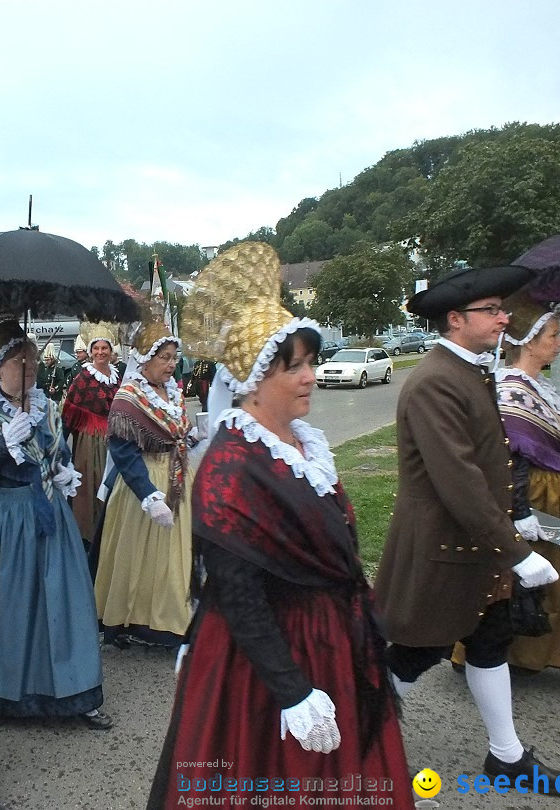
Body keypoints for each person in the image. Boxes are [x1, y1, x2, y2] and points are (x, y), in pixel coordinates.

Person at [148, 242, 412, 808]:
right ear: (254, 376)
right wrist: (291, 690)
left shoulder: (303, 444)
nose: (311, 377)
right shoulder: (229, 465)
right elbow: (238, 594)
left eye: (311, 364)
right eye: (295, 367)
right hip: (268, 657)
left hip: (330, 638)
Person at [376, 265, 560, 794]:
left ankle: (506, 757)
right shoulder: (434, 379)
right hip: (445, 545)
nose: (502, 318)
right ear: (455, 319)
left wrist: (514, 520)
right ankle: (358, 735)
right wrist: (516, 551)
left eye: (501, 309)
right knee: (416, 650)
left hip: (475, 543)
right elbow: (458, 480)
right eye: (491, 311)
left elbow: (491, 463)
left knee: (490, 640)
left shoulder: (472, 369)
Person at [450, 293, 560, 693]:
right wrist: (520, 513)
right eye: (553, 334)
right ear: (530, 341)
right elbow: (507, 454)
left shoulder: (538, 387)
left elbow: (549, 435)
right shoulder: (509, 388)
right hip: (536, 498)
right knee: (525, 583)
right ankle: (490, 655)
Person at [0, 317, 111, 729]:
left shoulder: (47, 407)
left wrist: (62, 472)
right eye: (20, 361)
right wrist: (3, 446)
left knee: (60, 601)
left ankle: (71, 691)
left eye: (33, 359)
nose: (30, 367)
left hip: (46, 512)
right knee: (2, 605)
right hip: (0, 519)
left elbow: (57, 456)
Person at [94, 314, 197, 649]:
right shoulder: (128, 397)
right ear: (144, 357)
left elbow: (175, 435)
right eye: (163, 357)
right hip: (146, 486)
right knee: (141, 556)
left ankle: (171, 618)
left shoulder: (172, 391)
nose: (170, 365)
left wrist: (192, 436)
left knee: (174, 556)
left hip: (179, 477)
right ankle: (141, 620)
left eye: (173, 358)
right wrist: (150, 496)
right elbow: (123, 453)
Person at [62, 334, 120, 540]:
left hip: (114, 438)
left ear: (111, 351)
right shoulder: (83, 377)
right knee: (92, 485)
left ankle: (110, 529)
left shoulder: (117, 377)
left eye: (104, 348)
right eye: (96, 348)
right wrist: (61, 446)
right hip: (90, 440)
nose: (100, 352)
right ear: (90, 352)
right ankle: (90, 534)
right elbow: (69, 410)